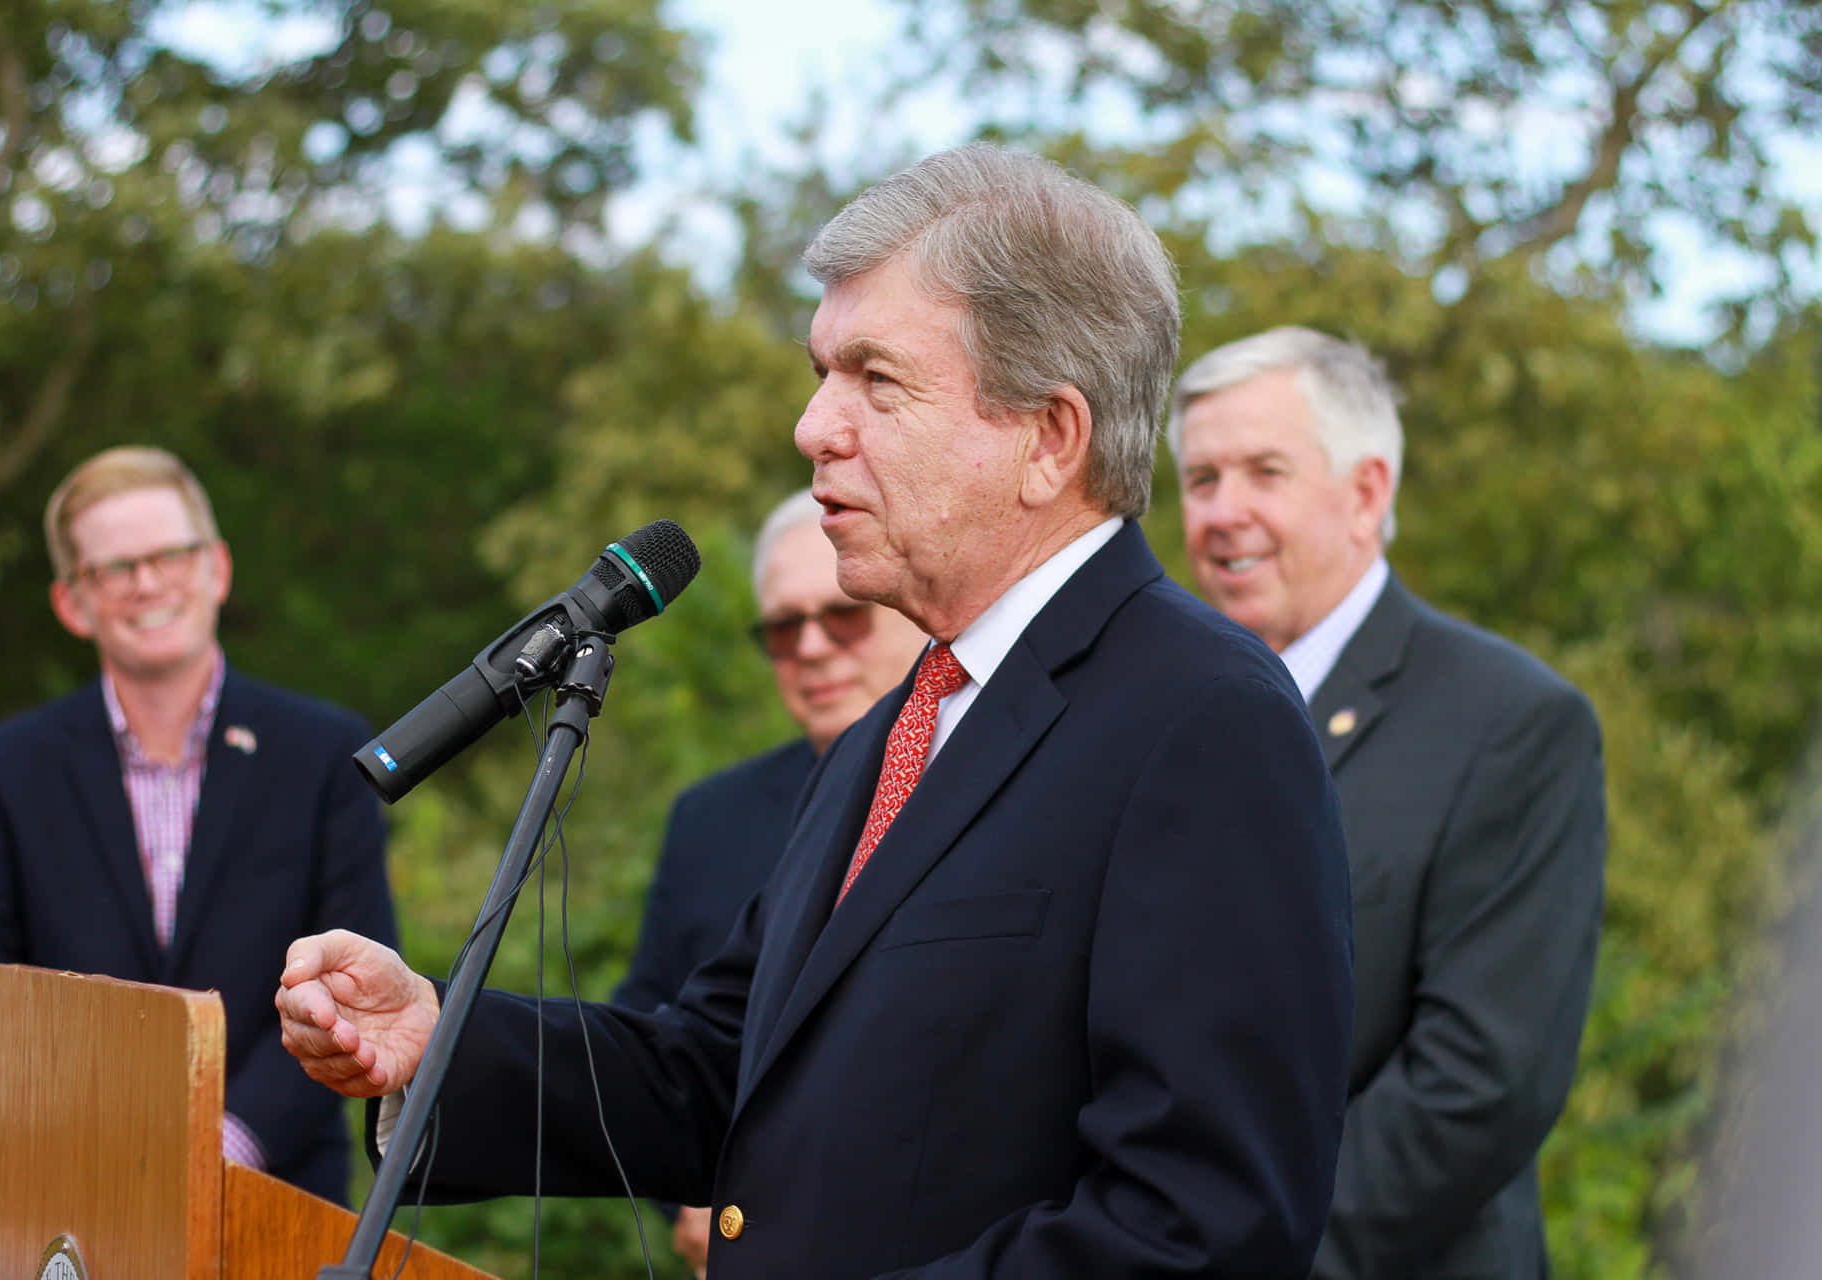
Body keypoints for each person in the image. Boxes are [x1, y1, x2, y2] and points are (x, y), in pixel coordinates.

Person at [278, 145, 1354, 1278]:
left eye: (876, 380)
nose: (814, 427)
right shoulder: (894, 732)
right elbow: (718, 1072)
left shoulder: (1201, 721)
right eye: (821, 372)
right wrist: (432, 1037)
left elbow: (1200, 1224)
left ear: (1048, 437)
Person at [1170, 326, 1607, 1278]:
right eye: (1202, 480)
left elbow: (1482, 1081)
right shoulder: (1159, 712)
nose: (1223, 511)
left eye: (1264, 472)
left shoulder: (1513, 723)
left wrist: (1242, 1258)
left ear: (1366, 493)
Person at [0, 445, 398, 1205]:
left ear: (216, 567)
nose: (146, 583)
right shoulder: (2, 771)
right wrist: (103, 1155)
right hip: (65, 1204)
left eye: (169, 555)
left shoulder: (321, 757)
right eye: (114, 568)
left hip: (275, 1204)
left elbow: (351, 988)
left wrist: (221, 1152)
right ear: (72, 603)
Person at [610, 486, 929, 1273]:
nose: (813, 648)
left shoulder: (990, 783)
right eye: (784, 629)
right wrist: (692, 1195)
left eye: (841, 615)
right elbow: (657, 1031)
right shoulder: (709, 818)